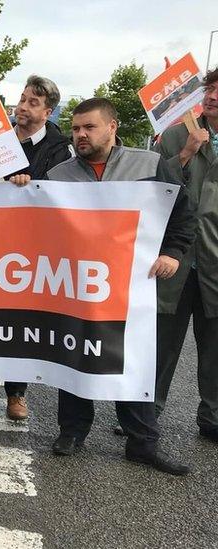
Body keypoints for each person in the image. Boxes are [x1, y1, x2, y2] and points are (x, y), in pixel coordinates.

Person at [44, 97, 195, 476]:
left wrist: (173, 253)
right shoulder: (60, 173)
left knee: (133, 361)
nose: (80, 134)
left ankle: (142, 443)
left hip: (132, 286)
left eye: (89, 127)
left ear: (112, 127)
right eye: (76, 128)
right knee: (75, 354)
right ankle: (72, 432)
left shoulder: (149, 165)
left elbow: (183, 213)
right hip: (77, 285)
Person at [0, 75, 74, 420]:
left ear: (48, 111)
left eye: (32, 103)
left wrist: (32, 184)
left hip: (31, 245)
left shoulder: (58, 146)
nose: (22, 107)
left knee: (22, 318)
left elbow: (61, 190)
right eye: (22, 99)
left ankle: (17, 392)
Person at [153, 67, 218, 443]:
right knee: (162, 342)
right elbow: (157, 186)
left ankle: (211, 417)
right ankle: (146, 412)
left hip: (214, 259)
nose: (210, 96)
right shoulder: (177, 134)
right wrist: (188, 151)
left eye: (217, 92)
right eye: (208, 89)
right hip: (176, 257)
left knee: (214, 346)